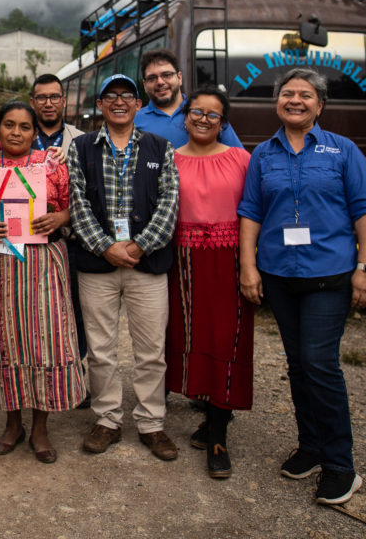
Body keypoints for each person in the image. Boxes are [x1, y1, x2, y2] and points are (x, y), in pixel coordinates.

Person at [238, 68, 366, 507]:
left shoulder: (343, 150)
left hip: (328, 275)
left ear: (320, 105)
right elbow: (251, 211)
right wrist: (248, 267)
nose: (294, 100)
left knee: (320, 363)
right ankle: (311, 447)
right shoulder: (263, 154)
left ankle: (341, 465)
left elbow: (365, 209)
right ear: (277, 101)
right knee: (298, 365)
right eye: (287, 93)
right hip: (279, 275)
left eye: (305, 94)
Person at [0, 102, 86, 464]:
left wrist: (60, 218)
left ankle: (40, 427)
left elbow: (76, 207)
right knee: (6, 340)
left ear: (35, 132)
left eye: (24, 127)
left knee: (46, 341)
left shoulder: (51, 164)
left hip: (45, 261)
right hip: (1, 263)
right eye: (9, 125)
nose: (16, 132)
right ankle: (13, 423)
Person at [68, 74, 179, 460]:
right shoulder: (81, 147)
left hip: (147, 262)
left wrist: (139, 245)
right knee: (101, 349)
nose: (119, 102)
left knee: (151, 349)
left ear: (138, 104)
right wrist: (105, 247)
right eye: (111, 96)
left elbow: (169, 202)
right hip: (97, 263)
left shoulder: (159, 147)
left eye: (127, 96)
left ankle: (152, 423)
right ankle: (107, 419)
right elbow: (77, 202)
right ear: (100, 105)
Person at [165, 86, 252, 479]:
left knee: (226, 340)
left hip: (228, 261)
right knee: (188, 338)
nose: (203, 119)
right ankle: (208, 412)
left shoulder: (241, 160)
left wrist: (251, 266)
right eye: (196, 112)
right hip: (181, 263)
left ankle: (219, 433)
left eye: (212, 114)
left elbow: (254, 213)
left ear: (223, 122)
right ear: (185, 117)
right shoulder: (168, 160)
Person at [29, 74, 88, 374]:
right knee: (36, 311)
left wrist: (64, 216)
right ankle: (40, 370)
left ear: (64, 101)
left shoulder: (82, 139)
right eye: (41, 97)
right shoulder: (21, 134)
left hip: (71, 240)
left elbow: (93, 193)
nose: (48, 103)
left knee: (74, 308)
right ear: (32, 102)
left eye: (54, 97)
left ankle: (76, 370)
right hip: (28, 241)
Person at [135, 49, 243, 148]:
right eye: (152, 78)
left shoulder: (207, 113)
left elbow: (238, 156)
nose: (160, 82)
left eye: (167, 75)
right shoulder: (135, 120)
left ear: (179, 78)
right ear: (145, 85)